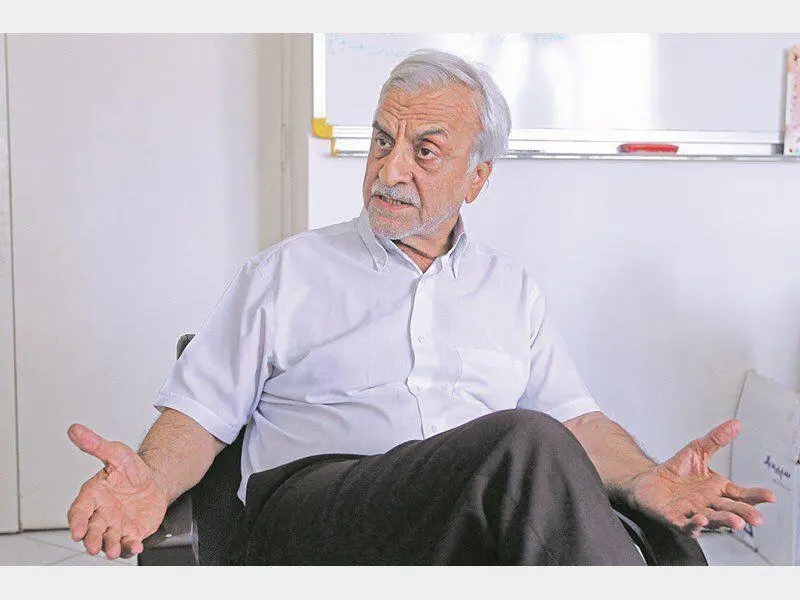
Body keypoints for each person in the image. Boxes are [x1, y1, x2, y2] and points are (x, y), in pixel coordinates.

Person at [66, 49, 774, 565]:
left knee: (658, 536)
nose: (389, 168)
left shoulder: (511, 290)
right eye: (383, 140)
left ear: (477, 178)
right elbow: (198, 415)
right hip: (319, 510)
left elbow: (576, 422)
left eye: (425, 151)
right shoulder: (286, 273)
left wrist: (646, 479)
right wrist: (150, 481)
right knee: (522, 444)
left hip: (468, 514)